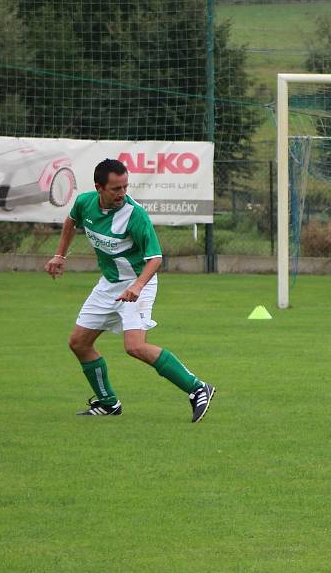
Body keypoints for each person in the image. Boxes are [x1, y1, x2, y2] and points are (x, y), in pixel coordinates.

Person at [44, 158, 215, 422]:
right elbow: (70, 222)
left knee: (134, 347)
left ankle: (197, 388)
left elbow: (156, 258)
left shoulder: (135, 215)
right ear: (99, 187)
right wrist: (60, 256)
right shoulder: (84, 203)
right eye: (116, 189)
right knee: (79, 342)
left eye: (125, 187)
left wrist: (137, 286)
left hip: (139, 283)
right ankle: (109, 403)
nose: (122, 193)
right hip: (110, 285)